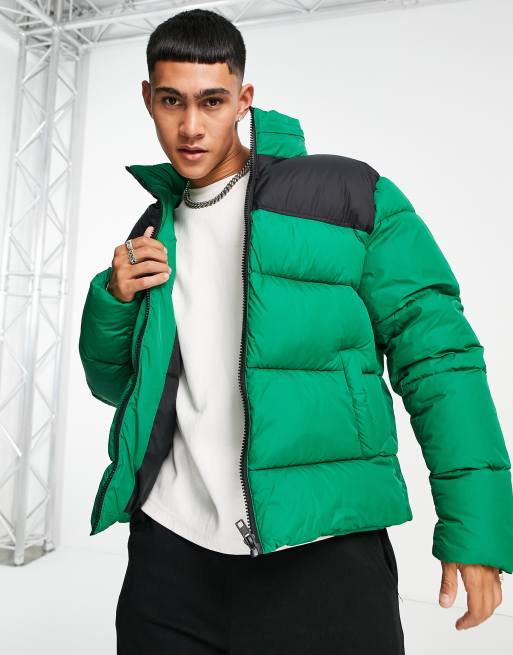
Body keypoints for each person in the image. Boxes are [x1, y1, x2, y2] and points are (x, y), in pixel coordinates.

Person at [78, 8, 513, 654]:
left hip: (322, 552)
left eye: (212, 101)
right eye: (171, 101)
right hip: (168, 558)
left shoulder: (348, 195)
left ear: (244, 99)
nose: (191, 126)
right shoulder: (153, 225)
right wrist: (113, 299)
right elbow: (118, 387)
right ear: (148, 98)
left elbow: (438, 357)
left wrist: (476, 525)